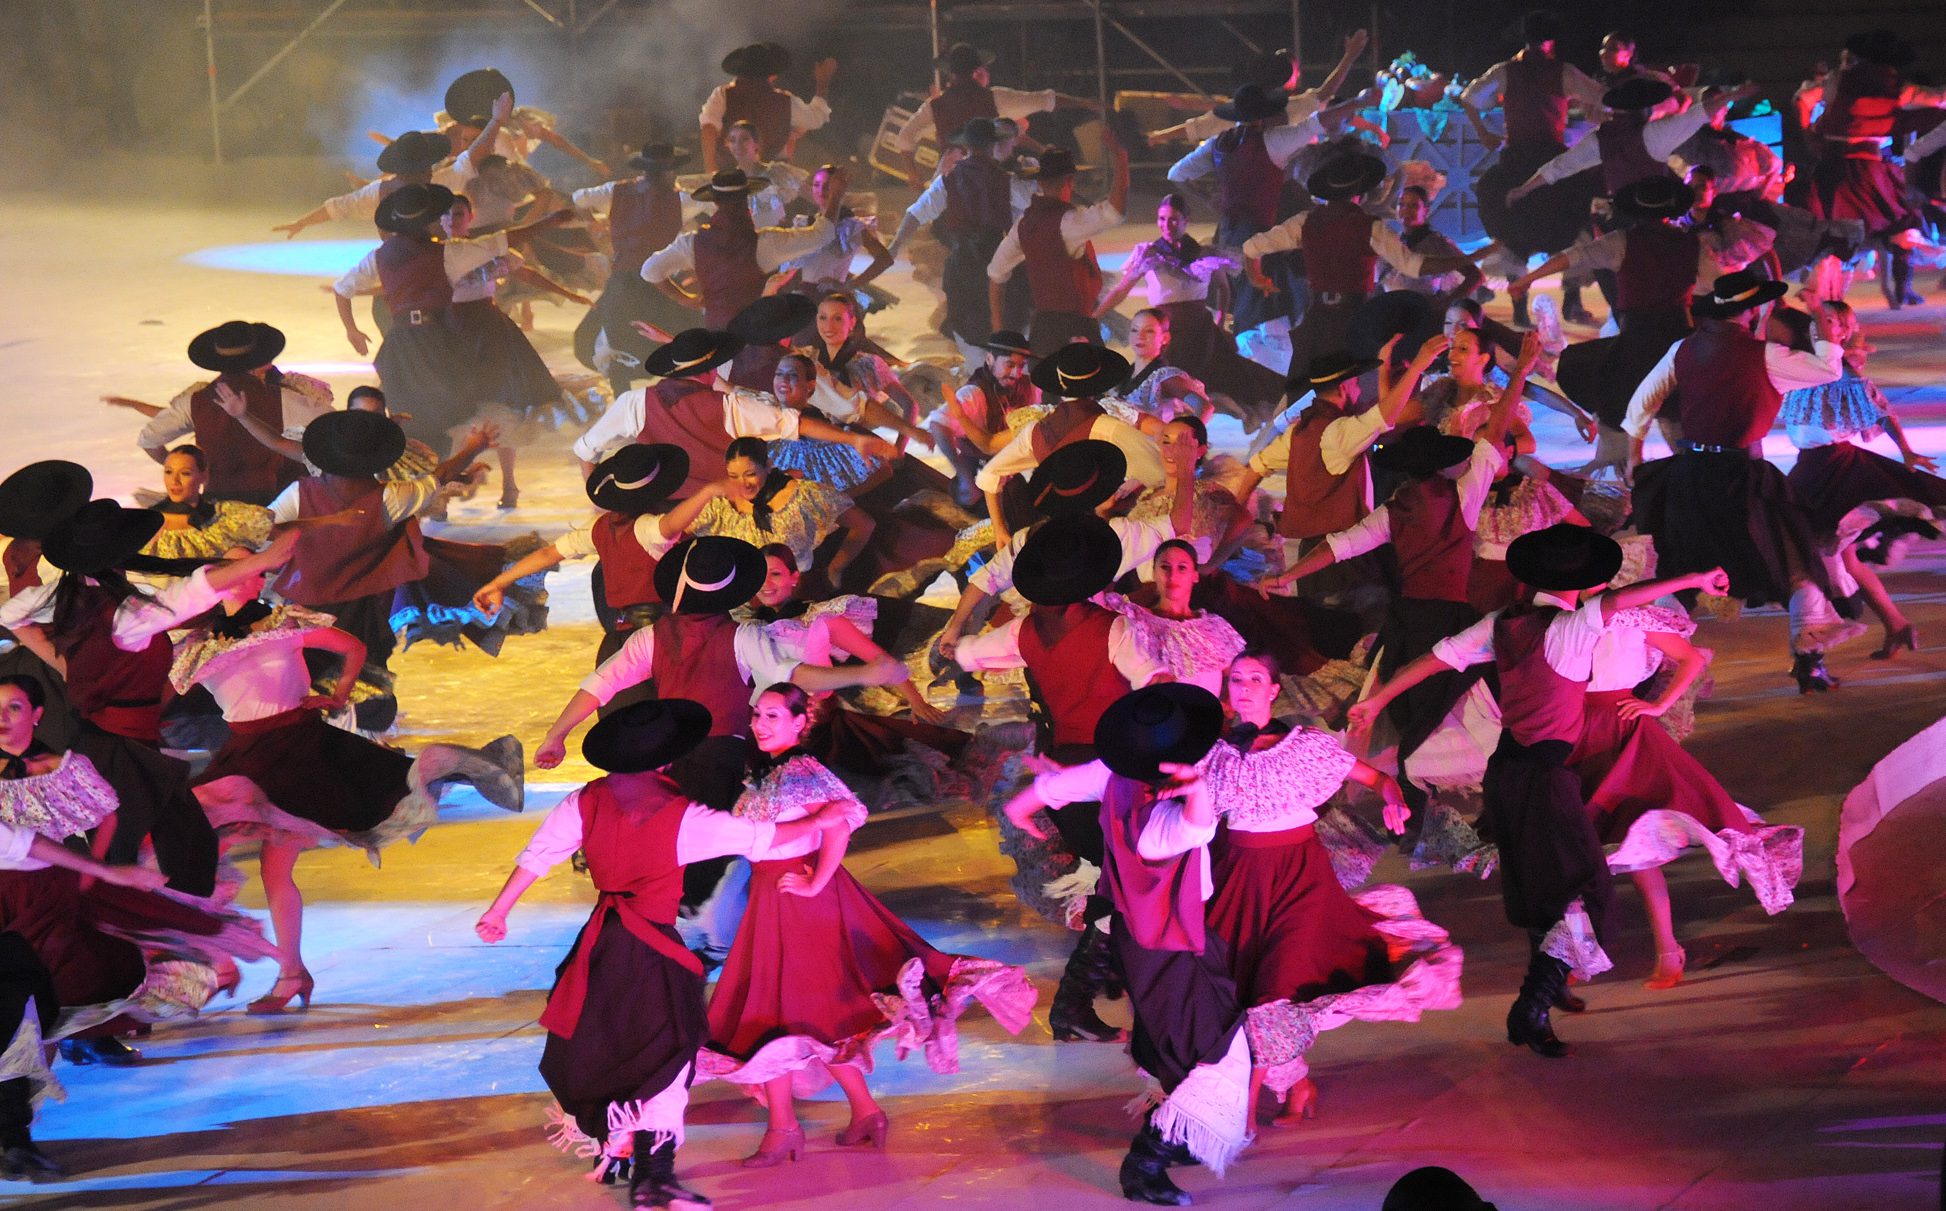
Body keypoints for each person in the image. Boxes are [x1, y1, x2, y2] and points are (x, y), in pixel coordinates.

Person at [1350, 525, 1736, 1056]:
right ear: (1584, 580)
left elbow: (1436, 658)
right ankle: (1529, 1008)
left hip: (1505, 773)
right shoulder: (1572, 627)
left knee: (1540, 892)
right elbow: (1624, 600)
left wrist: (1376, 701)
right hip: (1544, 778)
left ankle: (1546, 999)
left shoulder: (1501, 623)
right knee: (1590, 895)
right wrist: (1694, 578)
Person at [476, 698, 859, 1208]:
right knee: (669, 1057)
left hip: (601, 945)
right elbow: (762, 839)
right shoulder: (681, 816)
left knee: (610, 1041)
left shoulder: (585, 800)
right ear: (667, 760)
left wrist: (498, 911)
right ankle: (654, 1179)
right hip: (651, 950)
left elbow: (538, 856)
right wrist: (822, 819)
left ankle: (615, 1148)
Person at [696, 683, 1034, 1164]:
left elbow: (839, 823)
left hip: (799, 905)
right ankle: (861, 1113)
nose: (761, 725)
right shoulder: (771, 772)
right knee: (806, 1017)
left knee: (777, 1012)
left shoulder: (801, 771)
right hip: (774, 901)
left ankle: (785, 1129)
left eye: (773, 716)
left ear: (800, 722)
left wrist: (815, 883)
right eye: (757, 716)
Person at [176, 570, 523, 1011]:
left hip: (297, 750)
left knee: (272, 870)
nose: (236, 575)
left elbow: (352, 647)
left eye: (250, 568)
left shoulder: (285, 625)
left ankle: (288, 973)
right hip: (243, 755)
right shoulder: (199, 643)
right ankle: (225, 962)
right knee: (184, 854)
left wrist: (339, 695)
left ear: (257, 579)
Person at [1002, 683, 1249, 1203]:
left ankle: (1178, 1134)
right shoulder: (1158, 825)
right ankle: (1146, 1162)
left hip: (1150, 935)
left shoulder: (1111, 775)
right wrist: (1196, 788)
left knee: (1185, 1038)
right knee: (1211, 1047)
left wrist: (1022, 811)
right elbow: (1197, 827)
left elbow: (1048, 788)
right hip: (1167, 941)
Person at [1200, 649, 1461, 1124]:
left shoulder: (1304, 747)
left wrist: (1393, 799)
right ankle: (1297, 1084)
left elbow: (1378, 779)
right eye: (1236, 679)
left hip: (1300, 880)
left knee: (1275, 992)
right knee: (1243, 991)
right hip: (1239, 880)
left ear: (1273, 689)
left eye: (1255, 678)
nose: (1244, 687)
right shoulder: (1212, 755)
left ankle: (1241, 1113)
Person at [0, 502, 305, 896]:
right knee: (140, 855)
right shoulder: (126, 614)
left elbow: (12, 614)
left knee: (175, 846)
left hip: (118, 746)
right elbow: (188, 595)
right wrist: (261, 561)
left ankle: (151, 911)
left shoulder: (65, 597)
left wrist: (62, 663)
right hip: (119, 754)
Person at [1623, 273, 1847, 691]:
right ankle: (1809, 662)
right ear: (1752, 311)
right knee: (1796, 564)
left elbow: (1642, 401)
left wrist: (1634, 455)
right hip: (1744, 479)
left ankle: (1649, 671)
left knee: (1680, 574)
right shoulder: (1767, 356)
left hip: (1691, 476)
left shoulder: (1683, 349)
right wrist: (1824, 323)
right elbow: (1828, 370)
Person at [1568, 598, 1803, 988]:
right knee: (1567, 853)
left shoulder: (1631, 615)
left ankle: (1667, 950)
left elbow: (1690, 658)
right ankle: (1577, 954)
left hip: (1623, 735)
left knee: (1637, 850)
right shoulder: (1555, 618)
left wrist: (1658, 705)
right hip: (1569, 734)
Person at [332, 182, 558, 507]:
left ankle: (436, 489)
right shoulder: (446, 253)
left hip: (405, 344)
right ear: (428, 222)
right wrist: (548, 222)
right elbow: (501, 241)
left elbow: (343, 289)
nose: (444, 222)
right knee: (437, 418)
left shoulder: (384, 255)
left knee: (425, 419)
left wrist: (351, 329)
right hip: (433, 343)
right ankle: (435, 488)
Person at [267, 409, 492, 681]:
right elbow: (440, 476)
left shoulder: (299, 494)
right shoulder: (391, 498)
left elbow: (263, 529)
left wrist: (319, 523)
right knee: (365, 679)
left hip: (306, 605)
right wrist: (472, 448)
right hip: (362, 613)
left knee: (306, 678)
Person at [1777, 300, 1946, 661]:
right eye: (1821, 320)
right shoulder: (1802, 362)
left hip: (1831, 468)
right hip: (1812, 465)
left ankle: (1812, 644)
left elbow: (1881, 411)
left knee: (1809, 548)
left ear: (1845, 331)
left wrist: (1906, 451)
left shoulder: (1844, 373)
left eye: (1834, 322)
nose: (1825, 326)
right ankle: (1895, 624)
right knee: (1842, 556)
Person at [571, 327, 897, 494]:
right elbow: (797, 425)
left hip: (667, 516)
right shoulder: (729, 407)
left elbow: (585, 451)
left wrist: (602, 503)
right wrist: (853, 440)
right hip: (727, 510)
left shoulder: (634, 403)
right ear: (713, 369)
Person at [1243, 150, 1474, 378]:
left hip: (1319, 318)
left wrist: (1256, 277)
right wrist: (1471, 257)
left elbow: (1251, 248)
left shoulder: (1306, 222)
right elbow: (1414, 266)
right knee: (1357, 383)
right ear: (1360, 194)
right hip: (1356, 319)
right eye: (1403, 204)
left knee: (1310, 383)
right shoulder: (1369, 227)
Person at [1095, 196, 1286, 424]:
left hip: (1201, 331)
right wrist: (1095, 315)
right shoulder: (1150, 254)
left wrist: (1218, 322)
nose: (1167, 225)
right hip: (1167, 332)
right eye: (1162, 219)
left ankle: (1198, 426)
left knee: (1222, 380)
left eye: (1173, 219)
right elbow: (1121, 290)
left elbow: (1223, 289)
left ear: (1186, 220)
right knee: (1169, 384)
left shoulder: (1205, 254)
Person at [1795, 29, 1946, 309]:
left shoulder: (1839, 80)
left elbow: (1802, 99)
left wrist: (1809, 135)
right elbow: (1937, 99)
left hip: (1834, 172)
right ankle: (1900, 290)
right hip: (1865, 176)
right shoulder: (1895, 87)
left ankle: (1888, 289)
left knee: (1847, 229)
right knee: (1902, 220)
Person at [111, 321, 332, 506]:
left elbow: (148, 440)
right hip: (270, 504)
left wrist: (185, 470)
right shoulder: (283, 398)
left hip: (215, 505)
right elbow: (331, 430)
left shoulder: (196, 400)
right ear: (259, 357)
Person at [971, 343, 1165, 546]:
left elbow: (989, 475)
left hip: (1060, 536)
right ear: (1098, 383)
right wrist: (1133, 487)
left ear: (1060, 382)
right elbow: (1162, 475)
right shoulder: (1109, 429)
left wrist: (1000, 530)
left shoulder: (1035, 431)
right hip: (1109, 536)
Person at [888, 117, 1037, 351]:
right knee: (1010, 322)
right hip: (998, 260)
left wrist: (895, 245)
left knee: (971, 330)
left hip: (963, 263)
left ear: (966, 146)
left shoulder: (948, 180)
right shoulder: (1005, 181)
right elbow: (1036, 200)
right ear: (992, 145)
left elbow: (916, 213)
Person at [572, 142, 700, 389]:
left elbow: (579, 198)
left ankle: (630, 398)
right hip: (656, 282)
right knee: (672, 339)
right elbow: (714, 204)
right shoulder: (682, 199)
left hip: (628, 281)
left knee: (621, 340)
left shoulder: (616, 191)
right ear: (670, 171)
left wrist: (593, 224)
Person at [639, 170, 832, 332]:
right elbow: (822, 235)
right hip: (756, 333)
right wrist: (836, 196)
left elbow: (649, 270)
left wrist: (685, 299)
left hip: (716, 332)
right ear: (747, 198)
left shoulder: (692, 243)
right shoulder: (766, 243)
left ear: (715, 202)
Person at [987, 140, 1130, 356]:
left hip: (1043, 331)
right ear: (1070, 181)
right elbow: (1115, 212)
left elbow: (995, 275)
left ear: (1040, 182)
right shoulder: (1070, 222)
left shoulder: (1023, 224)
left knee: (1044, 378)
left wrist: (999, 333)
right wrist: (1120, 159)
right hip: (1078, 330)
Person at [688, 437, 873, 592]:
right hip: (743, 594)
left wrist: (835, 568)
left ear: (768, 466)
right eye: (733, 476)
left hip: (794, 591)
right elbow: (678, 532)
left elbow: (864, 524)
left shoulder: (804, 496)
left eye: (750, 474)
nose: (743, 484)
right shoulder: (721, 504)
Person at [892, 41, 1062, 185]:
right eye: (981, 72)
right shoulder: (993, 99)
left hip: (951, 183)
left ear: (950, 72)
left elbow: (905, 137)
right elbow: (1043, 101)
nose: (985, 75)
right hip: (984, 182)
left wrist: (913, 174)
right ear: (975, 72)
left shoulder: (937, 105)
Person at [929, 330, 1040, 508]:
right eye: (1010, 365)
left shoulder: (1029, 387)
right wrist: (964, 475)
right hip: (979, 473)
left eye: (1021, 366)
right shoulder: (974, 393)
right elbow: (938, 425)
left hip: (1012, 473)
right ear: (989, 359)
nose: (1016, 373)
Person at [700, 43, 836, 172]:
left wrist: (711, 171)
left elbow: (709, 129)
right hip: (769, 179)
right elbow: (815, 118)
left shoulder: (723, 95)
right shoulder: (784, 101)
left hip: (729, 178)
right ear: (772, 74)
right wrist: (822, 83)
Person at [136, 446, 273, 563]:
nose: (174, 481)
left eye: (185, 473)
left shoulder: (226, 516)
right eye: (168, 472)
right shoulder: (146, 524)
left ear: (204, 476)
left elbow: (279, 540)